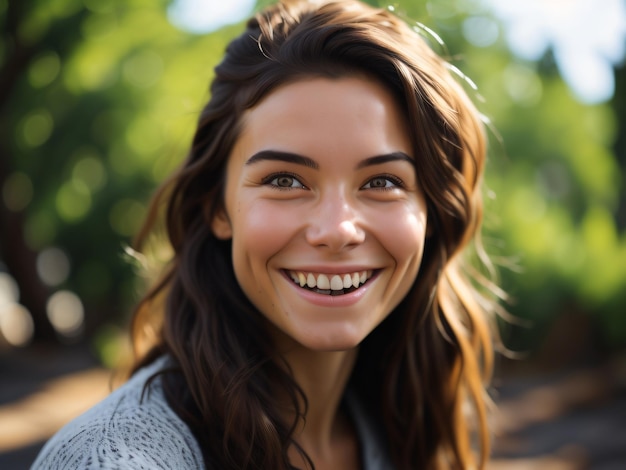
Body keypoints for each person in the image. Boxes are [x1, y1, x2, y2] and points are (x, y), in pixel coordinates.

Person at [32, 0, 500, 468]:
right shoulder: (115, 459)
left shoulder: (399, 430)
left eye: (382, 182)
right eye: (284, 180)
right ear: (217, 206)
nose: (336, 230)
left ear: (432, 213)